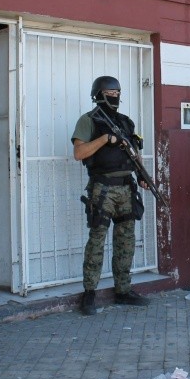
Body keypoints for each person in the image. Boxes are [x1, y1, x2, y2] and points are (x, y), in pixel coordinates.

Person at [71, 75, 152, 315]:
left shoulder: (126, 122)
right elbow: (79, 153)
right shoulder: (89, 120)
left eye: (117, 93)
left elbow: (135, 154)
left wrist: (143, 177)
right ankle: (89, 294)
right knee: (97, 240)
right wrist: (105, 138)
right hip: (103, 188)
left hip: (127, 187)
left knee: (126, 243)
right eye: (109, 93)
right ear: (99, 93)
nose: (114, 97)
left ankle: (123, 291)